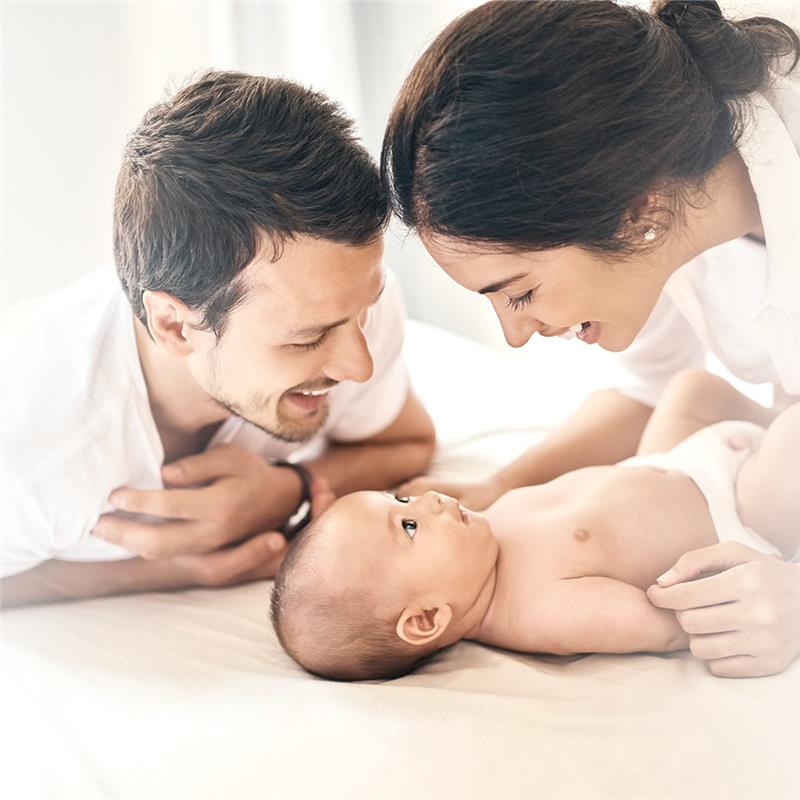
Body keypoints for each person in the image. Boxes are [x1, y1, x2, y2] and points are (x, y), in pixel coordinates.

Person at [379, 0, 800, 676]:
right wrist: (505, 485)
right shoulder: (663, 214)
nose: (516, 336)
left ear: (639, 216)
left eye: (519, 292)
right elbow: (649, 387)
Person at [1, 71, 435, 607]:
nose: (358, 365)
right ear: (175, 326)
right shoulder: (29, 449)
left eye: (362, 314)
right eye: (306, 339)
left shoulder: (346, 297)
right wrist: (160, 572)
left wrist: (288, 490)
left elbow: (407, 442)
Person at [271, 372, 799, 682]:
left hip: (674, 462)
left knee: (691, 386)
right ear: (427, 618)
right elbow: (669, 623)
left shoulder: (484, 535)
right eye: (408, 526)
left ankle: (773, 414)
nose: (429, 499)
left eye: (402, 498)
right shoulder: (542, 611)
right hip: (739, 514)